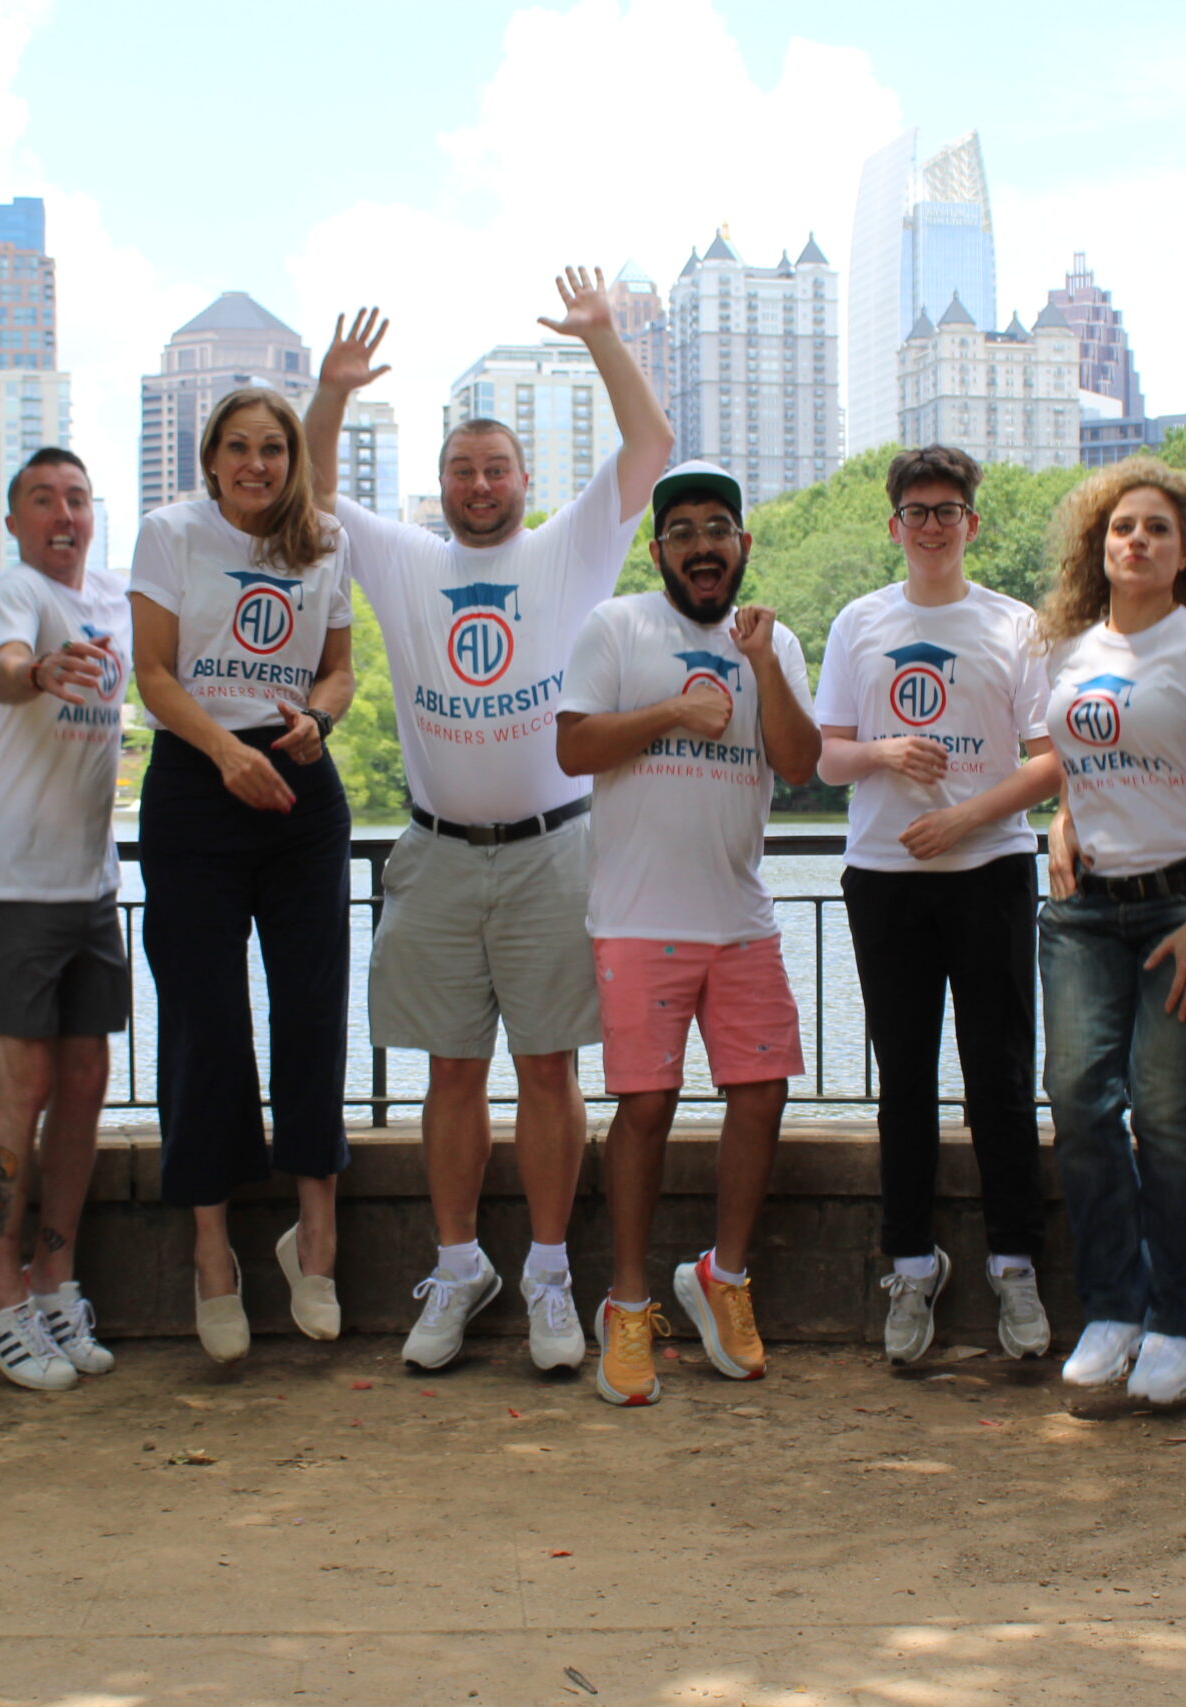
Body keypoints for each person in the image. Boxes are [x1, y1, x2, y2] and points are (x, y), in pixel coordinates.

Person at [305, 272, 675, 1374]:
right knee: (452, 1071)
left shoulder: (570, 548)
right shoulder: (405, 558)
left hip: (555, 852)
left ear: (524, 480)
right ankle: (459, 1265)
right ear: (440, 485)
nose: (479, 485)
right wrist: (331, 393)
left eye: (496, 468)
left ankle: (550, 1274)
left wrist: (601, 336)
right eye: (462, 470)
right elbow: (313, 499)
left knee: (550, 1069)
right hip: (436, 855)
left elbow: (649, 446)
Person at [556, 461, 821, 1405]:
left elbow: (799, 762)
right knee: (646, 1109)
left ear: (742, 545)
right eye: (683, 533)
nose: (702, 547)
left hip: (739, 917)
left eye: (718, 529)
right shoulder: (618, 626)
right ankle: (627, 1304)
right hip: (638, 920)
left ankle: (724, 1275)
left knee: (762, 1092)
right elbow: (572, 746)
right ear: (659, 549)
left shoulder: (773, 642)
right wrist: (673, 709)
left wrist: (761, 665)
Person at [812, 445, 1062, 1365]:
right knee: (905, 1080)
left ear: (971, 523)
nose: (930, 526)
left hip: (989, 867)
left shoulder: (1015, 624)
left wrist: (966, 817)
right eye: (915, 511)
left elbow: (1050, 759)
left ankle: (1015, 1263)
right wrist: (882, 753)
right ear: (894, 525)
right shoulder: (859, 621)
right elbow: (826, 755)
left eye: (946, 510)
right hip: (883, 874)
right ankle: (911, 1264)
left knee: (1001, 1075)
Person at [130, 388, 358, 1364]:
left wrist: (319, 719)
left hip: (299, 785)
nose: (256, 464)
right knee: (207, 1018)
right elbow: (152, 673)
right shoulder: (170, 533)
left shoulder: (324, 540)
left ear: (293, 458)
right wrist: (226, 753)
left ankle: (316, 1234)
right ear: (211, 458)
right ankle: (212, 1247)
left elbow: (340, 670)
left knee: (311, 1008)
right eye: (238, 447)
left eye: (273, 448)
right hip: (197, 783)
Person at [1035, 460, 1186, 1405]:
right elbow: (1083, 760)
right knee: (1079, 1099)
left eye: (1157, 529)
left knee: (1164, 1109)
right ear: (1099, 546)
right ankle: (1113, 1306)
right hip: (1085, 910)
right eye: (1122, 527)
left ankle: (1184, 1318)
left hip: (1184, 905)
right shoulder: (1069, 650)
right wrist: (1063, 817)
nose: (1137, 541)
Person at [0, 447, 129, 1391]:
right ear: (14, 519)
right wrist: (40, 668)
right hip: (11, 876)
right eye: (43, 500)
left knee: (87, 1078)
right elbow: (7, 668)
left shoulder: (117, 597)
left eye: (77, 499)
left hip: (88, 882)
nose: (64, 514)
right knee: (27, 1078)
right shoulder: (14, 591)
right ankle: (0, 1292)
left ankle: (56, 1281)